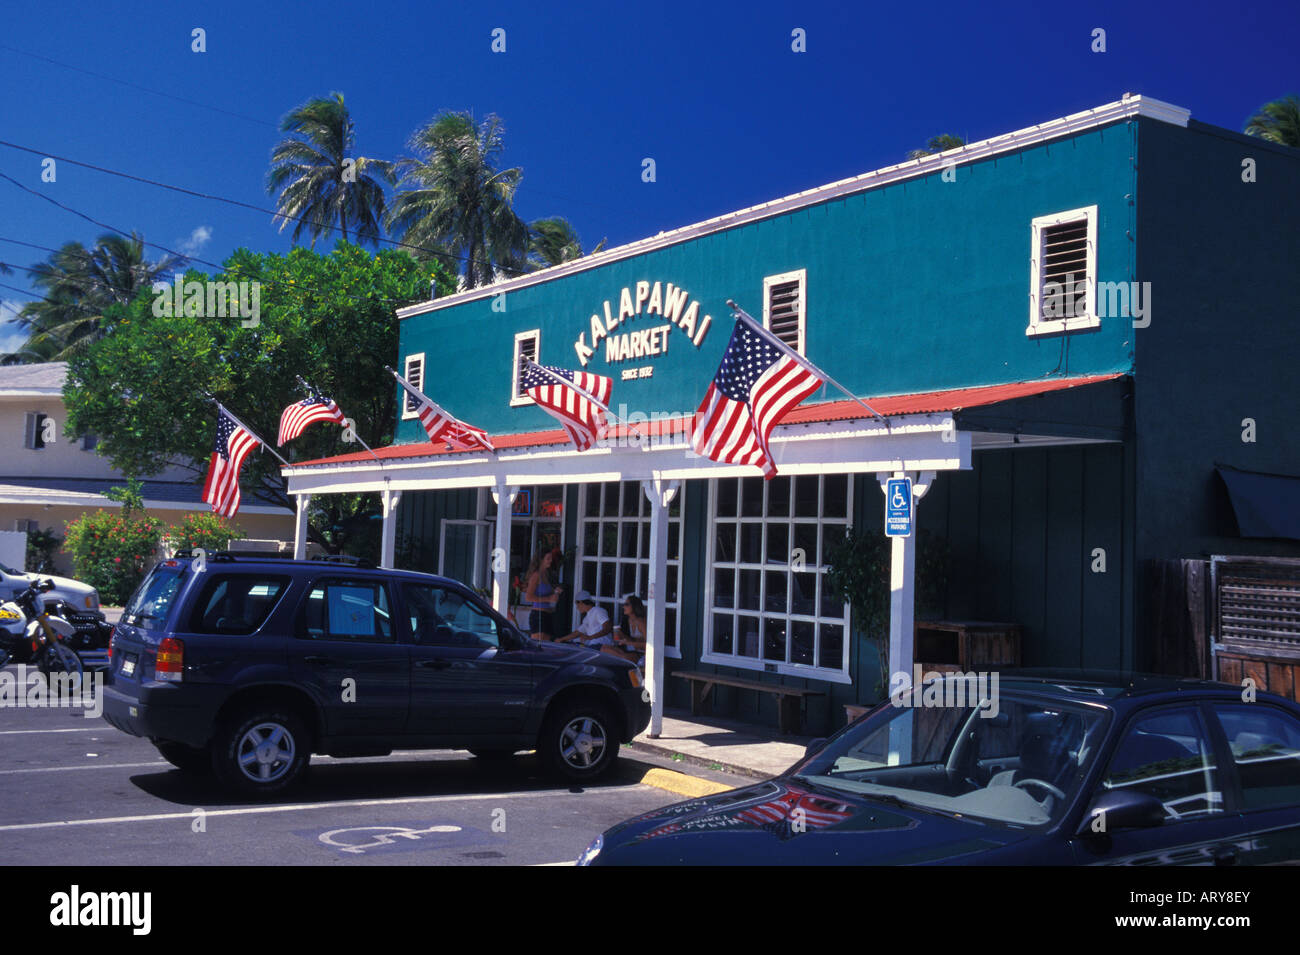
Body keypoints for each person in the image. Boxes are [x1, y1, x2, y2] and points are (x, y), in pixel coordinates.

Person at [523, 548, 564, 640]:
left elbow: (545, 593)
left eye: (551, 558)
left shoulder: (546, 574)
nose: (551, 561)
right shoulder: (536, 575)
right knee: (539, 647)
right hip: (538, 615)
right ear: (541, 560)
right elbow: (528, 597)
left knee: (547, 647)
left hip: (548, 614)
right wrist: (549, 599)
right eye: (548, 558)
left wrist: (555, 592)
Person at [601, 594, 647, 666]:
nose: (623, 607)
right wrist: (622, 635)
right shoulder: (629, 620)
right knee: (604, 648)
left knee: (622, 657)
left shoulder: (641, 622)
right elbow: (633, 640)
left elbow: (649, 645)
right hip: (633, 651)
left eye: (626, 604)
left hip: (642, 655)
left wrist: (628, 643)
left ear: (634, 606)